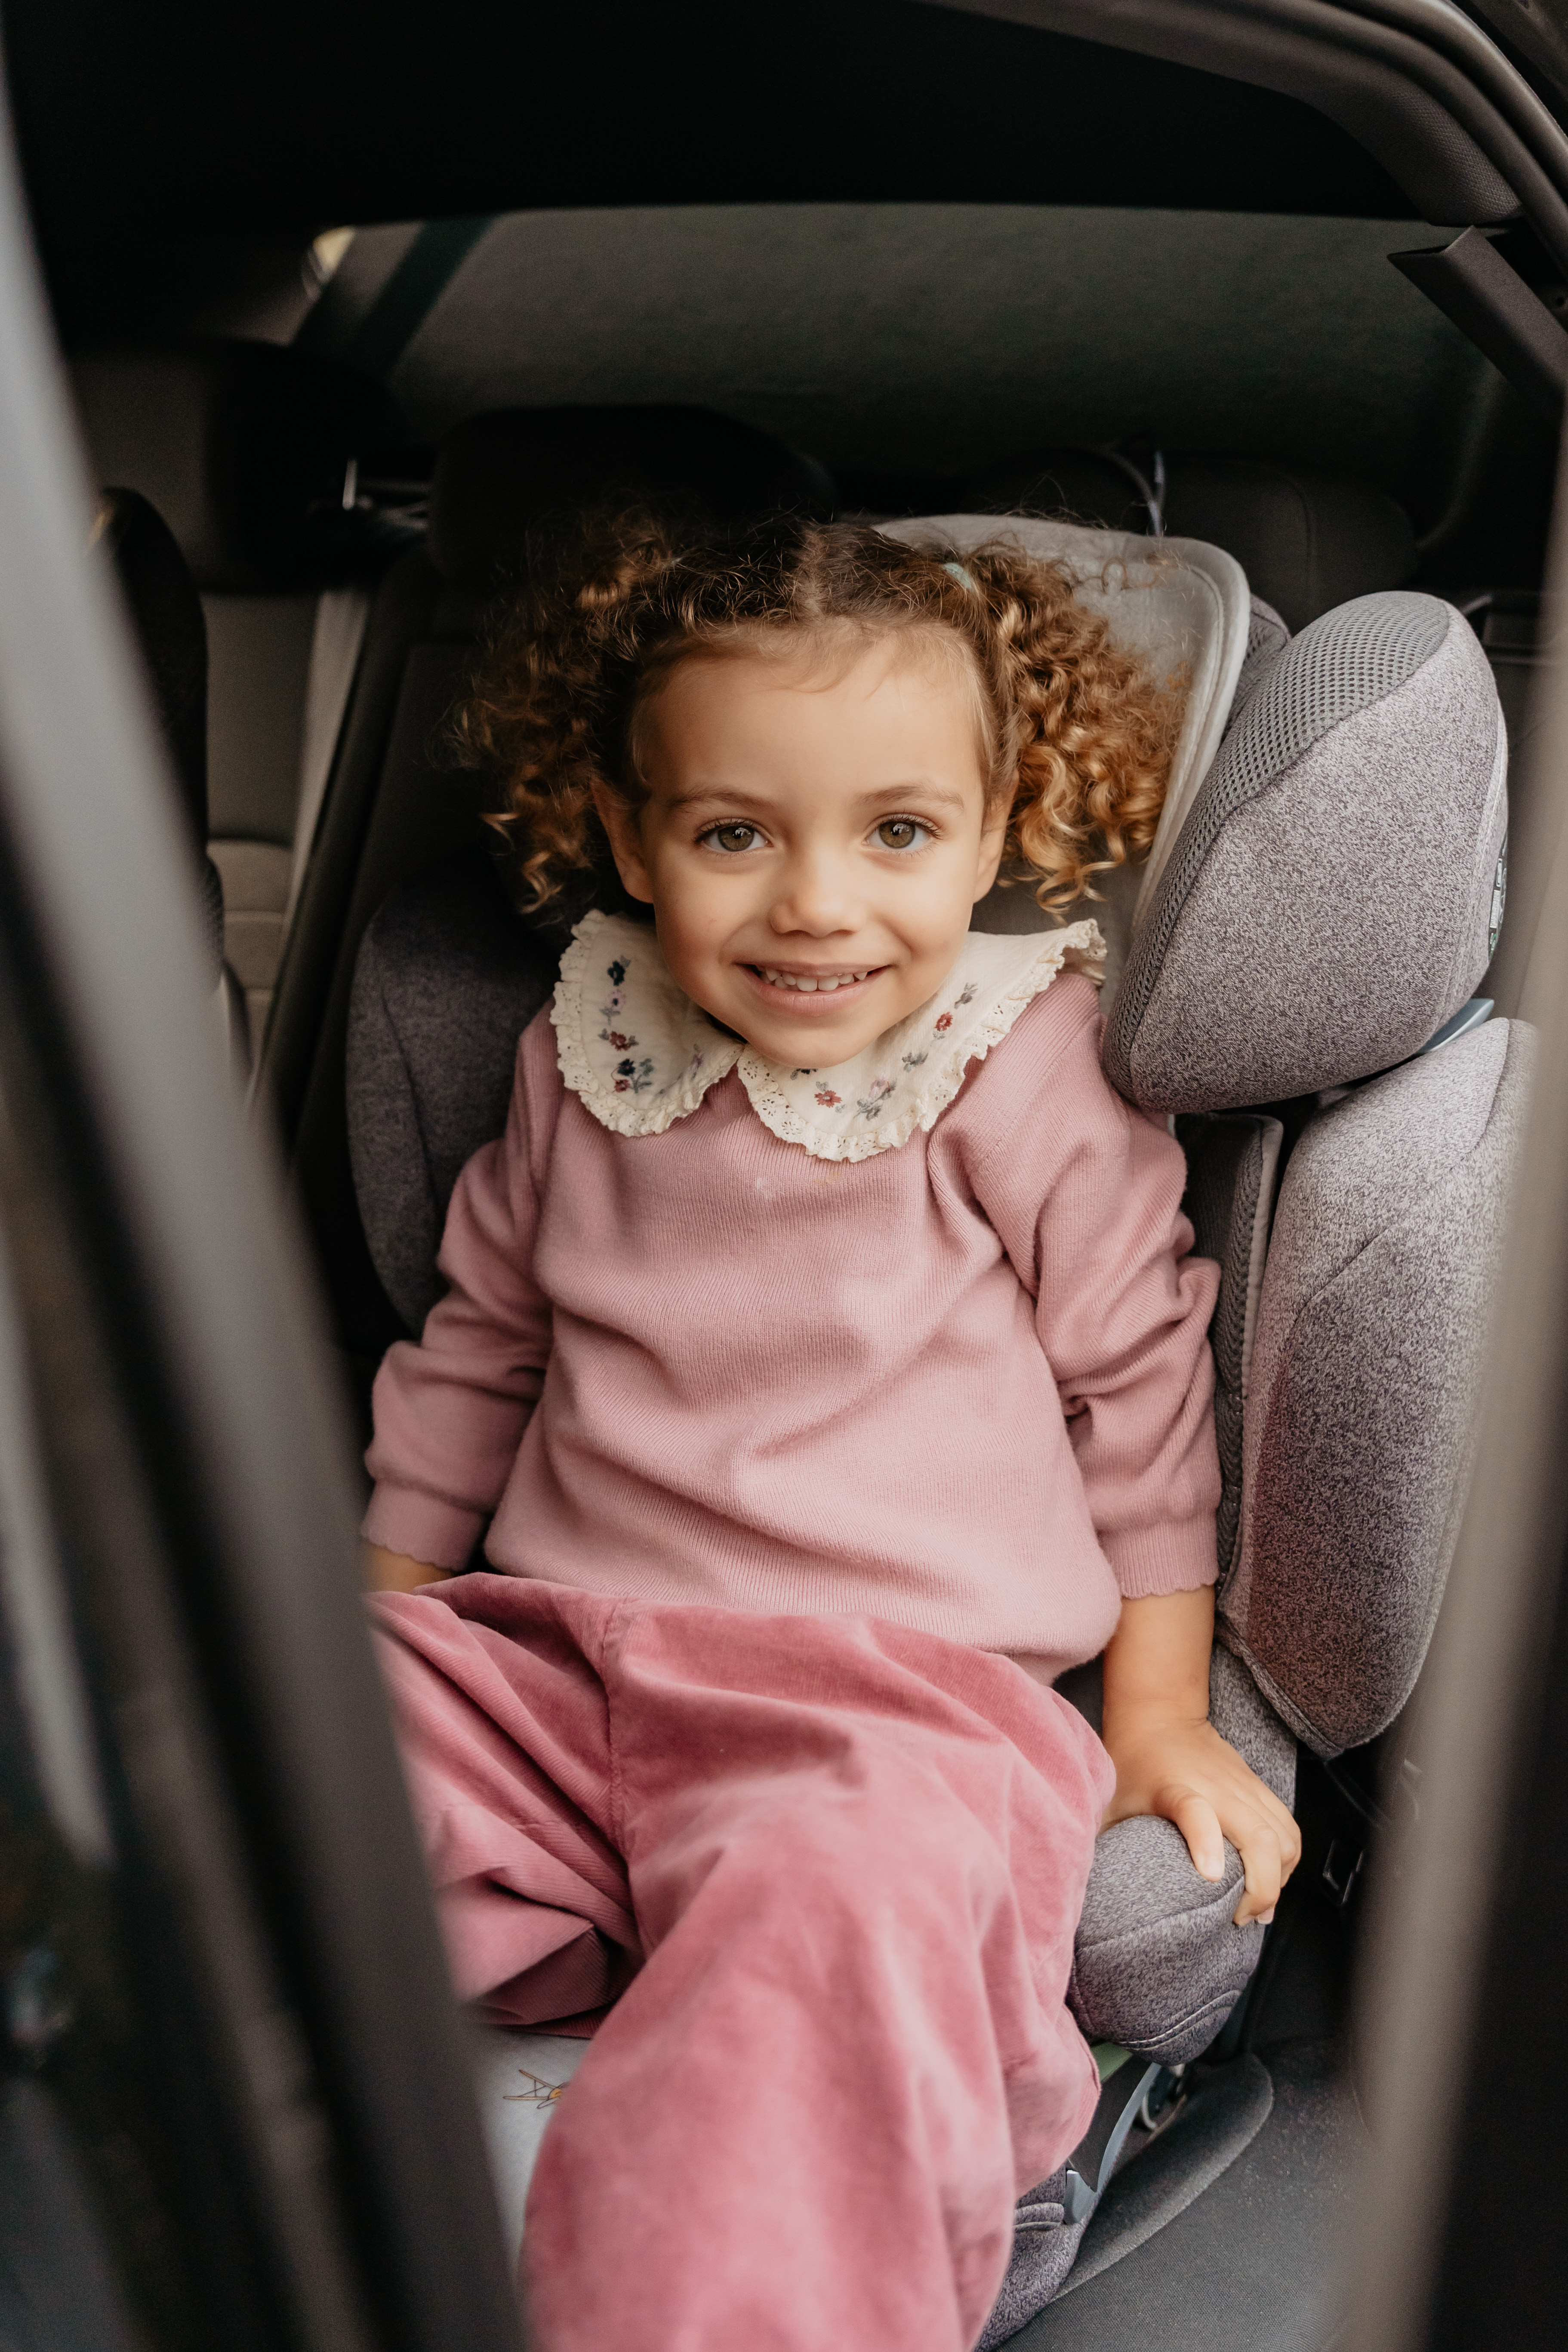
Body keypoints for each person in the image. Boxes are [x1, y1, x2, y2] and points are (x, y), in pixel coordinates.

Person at [362, 512, 1301, 2352]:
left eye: (897, 832)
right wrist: (370, 1618)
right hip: (557, 1666)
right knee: (252, 1775)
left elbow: (1138, 1390)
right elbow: (475, 1355)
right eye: (735, 834)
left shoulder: (1021, 1056)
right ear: (629, 831)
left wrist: (1156, 1714)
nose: (815, 902)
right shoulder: (580, 1043)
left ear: (996, 825)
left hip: (892, 1707)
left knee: (836, 1918)